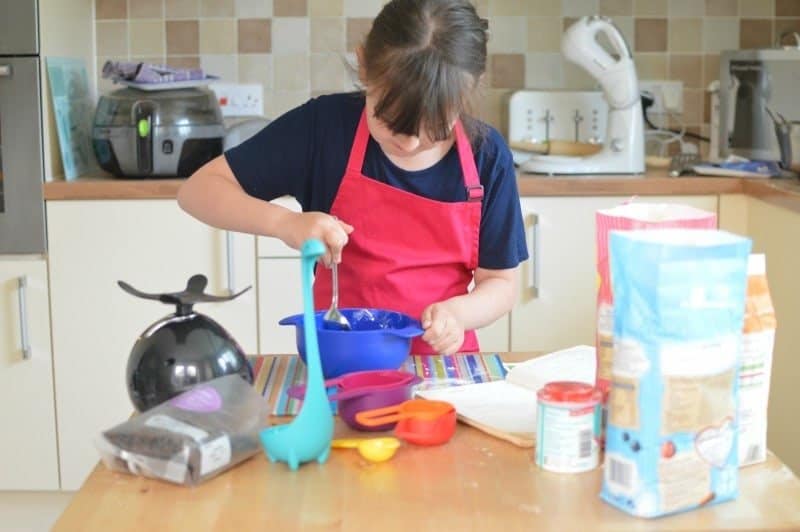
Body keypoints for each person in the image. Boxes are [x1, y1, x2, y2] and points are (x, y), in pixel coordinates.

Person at [177, 0, 528, 355]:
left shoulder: (487, 157)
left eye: (435, 127)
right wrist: (285, 223)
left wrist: (459, 314)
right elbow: (198, 191)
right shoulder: (324, 129)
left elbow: (500, 283)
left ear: (468, 94)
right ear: (364, 66)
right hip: (343, 363)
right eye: (390, 121)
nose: (409, 142)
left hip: (442, 372)